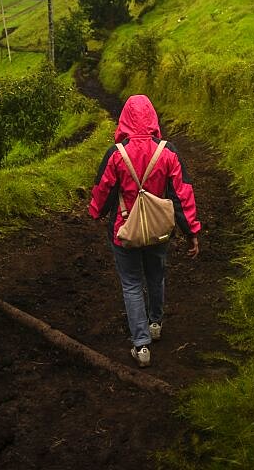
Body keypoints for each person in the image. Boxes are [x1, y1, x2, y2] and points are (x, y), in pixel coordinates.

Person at [89, 94, 200, 368]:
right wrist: (191, 232)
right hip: (160, 230)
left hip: (124, 229)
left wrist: (95, 212)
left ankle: (141, 347)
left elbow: (102, 190)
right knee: (155, 276)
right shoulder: (168, 152)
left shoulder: (116, 154)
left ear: (124, 119)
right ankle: (155, 324)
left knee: (131, 284)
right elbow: (182, 195)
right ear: (152, 117)